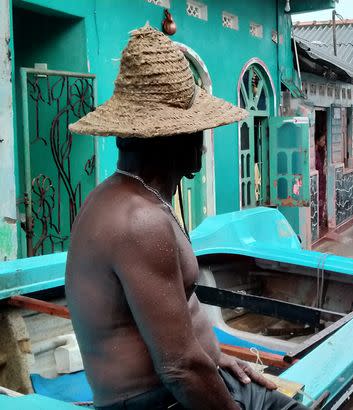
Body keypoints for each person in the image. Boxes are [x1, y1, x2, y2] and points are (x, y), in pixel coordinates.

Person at [65, 25, 310, 410]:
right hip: (159, 400)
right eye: (199, 129)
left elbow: (184, 343)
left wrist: (219, 360)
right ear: (176, 139)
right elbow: (179, 368)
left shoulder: (133, 199)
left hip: (190, 380)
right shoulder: (139, 221)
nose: (204, 138)